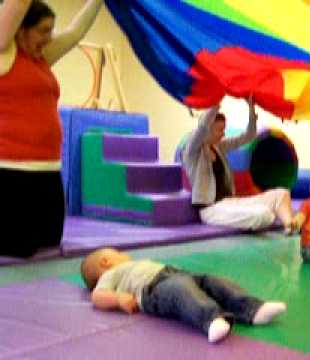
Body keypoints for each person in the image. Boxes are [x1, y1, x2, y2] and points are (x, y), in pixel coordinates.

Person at [0, 0, 103, 257]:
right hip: (12, 177)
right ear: (20, 29)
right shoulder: (4, 53)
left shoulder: (41, 57)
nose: (49, 38)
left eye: (51, 31)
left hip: (49, 175)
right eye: (43, 30)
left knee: (49, 251)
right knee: (14, 256)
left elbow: (76, 31)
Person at [81, 247, 287, 343]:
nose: (122, 253)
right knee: (182, 291)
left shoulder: (131, 264)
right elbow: (97, 296)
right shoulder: (111, 273)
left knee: (211, 281)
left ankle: (253, 309)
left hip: (176, 274)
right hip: (154, 290)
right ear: (106, 261)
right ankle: (211, 320)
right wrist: (118, 299)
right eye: (116, 252)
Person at [182, 97, 294, 232]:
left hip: (230, 202)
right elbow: (202, 127)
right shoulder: (192, 151)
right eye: (220, 130)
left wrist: (251, 109)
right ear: (208, 130)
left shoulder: (219, 147)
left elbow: (248, 136)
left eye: (224, 129)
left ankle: (290, 225)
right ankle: (269, 216)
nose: (223, 134)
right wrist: (216, 99)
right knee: (262, 214)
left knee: (281, 194)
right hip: (211, 209)